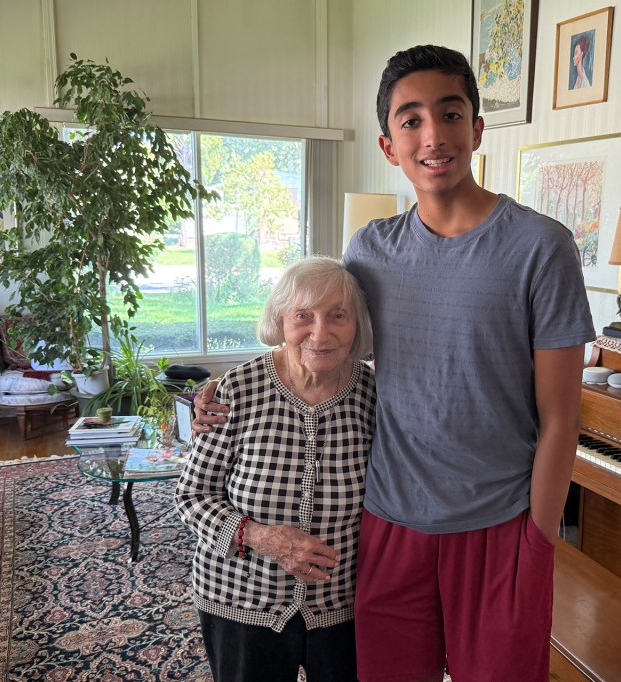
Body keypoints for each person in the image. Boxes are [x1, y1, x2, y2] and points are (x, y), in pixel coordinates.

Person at [194, 44, 595, 682]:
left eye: (451, 113)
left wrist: (539, 541)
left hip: (500, 528)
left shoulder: (540, 247)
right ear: (389, 145)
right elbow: (317, 341)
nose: (433, 135)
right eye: (411, 120)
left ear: (477, 129)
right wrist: (226, 387)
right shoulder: (370, 251)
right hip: (386, 528)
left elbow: (561, 420)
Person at [175, 256, 377, 682]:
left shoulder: (375, 395)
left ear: (357, 325)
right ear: (280, 321)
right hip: (240, 598)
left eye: (337, 316)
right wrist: (263, 538)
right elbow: (191, 496)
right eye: (303, 316)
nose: (320, 333)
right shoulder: (237, 390)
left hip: (344, 604)